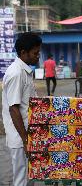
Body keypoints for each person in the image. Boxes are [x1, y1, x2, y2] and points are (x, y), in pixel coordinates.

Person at [2, 32, 42, 186]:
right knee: (21, 180)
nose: (38, 56)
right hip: (20, 137)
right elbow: (14, 109)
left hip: (26, 134)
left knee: (28, 178)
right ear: (23, 53)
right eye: (35, 52)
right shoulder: (16, 73)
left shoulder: (24, 71)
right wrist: (25, 140)